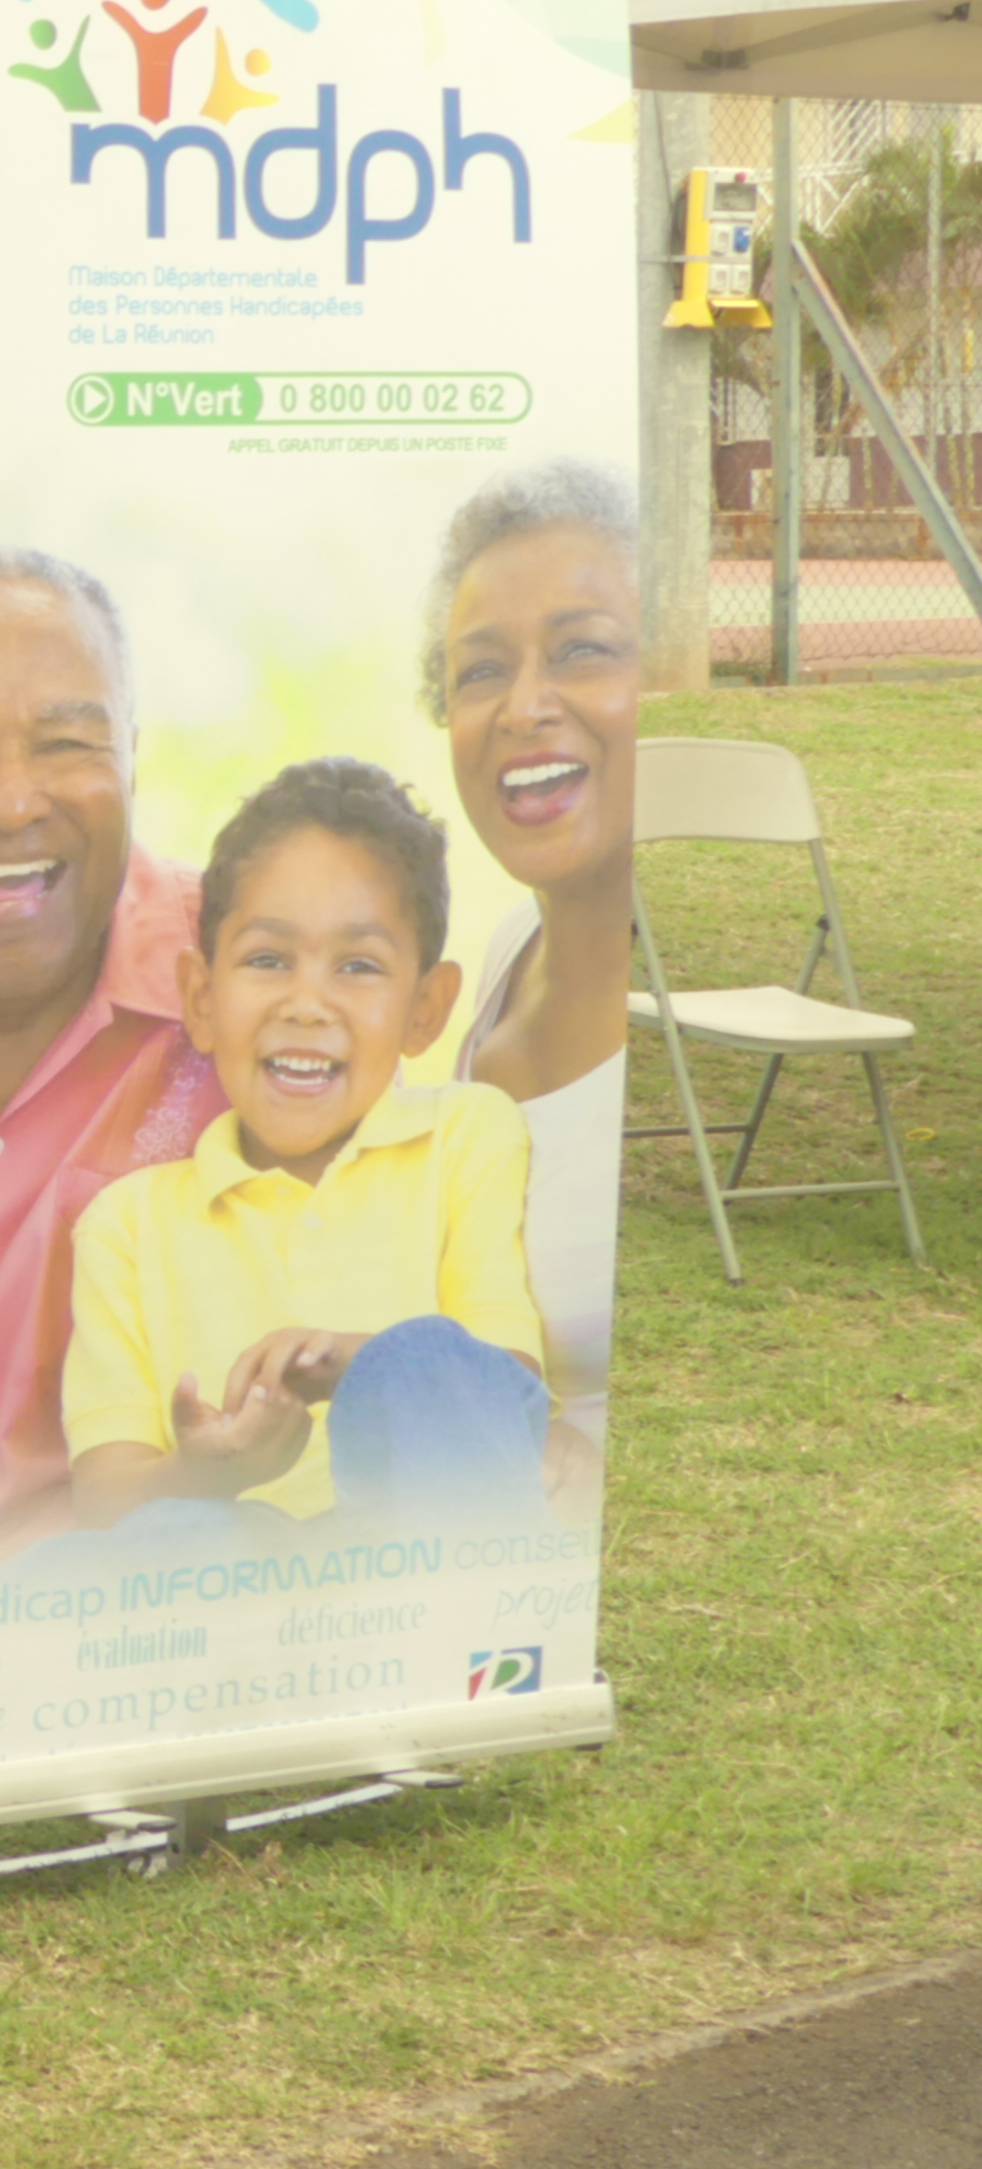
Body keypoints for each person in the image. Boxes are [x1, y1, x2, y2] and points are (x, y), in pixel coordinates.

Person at [59, 759, 548, 1534]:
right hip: (230, 1585)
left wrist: (351, 1364)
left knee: (427, 1362)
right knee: (154, 1537)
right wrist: (210, 1471)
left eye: (358, 966)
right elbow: (103, 1499)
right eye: (267, 960)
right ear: (202, 1000)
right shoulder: (127, 1224)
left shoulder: (466, 1136)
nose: (307, 1005)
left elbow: (503, 1405)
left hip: (413, 1566)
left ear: (425, 1010)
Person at [0, 551, 223, 1585]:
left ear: (136, 756)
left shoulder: (257, 991)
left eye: (66, 742)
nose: (7, 800)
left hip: (156, 1623)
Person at [424, 464, 639, 1442]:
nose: (522, 707)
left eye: (582, 651)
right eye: (479, 670)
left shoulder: (678, 1049)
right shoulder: (509, 950)